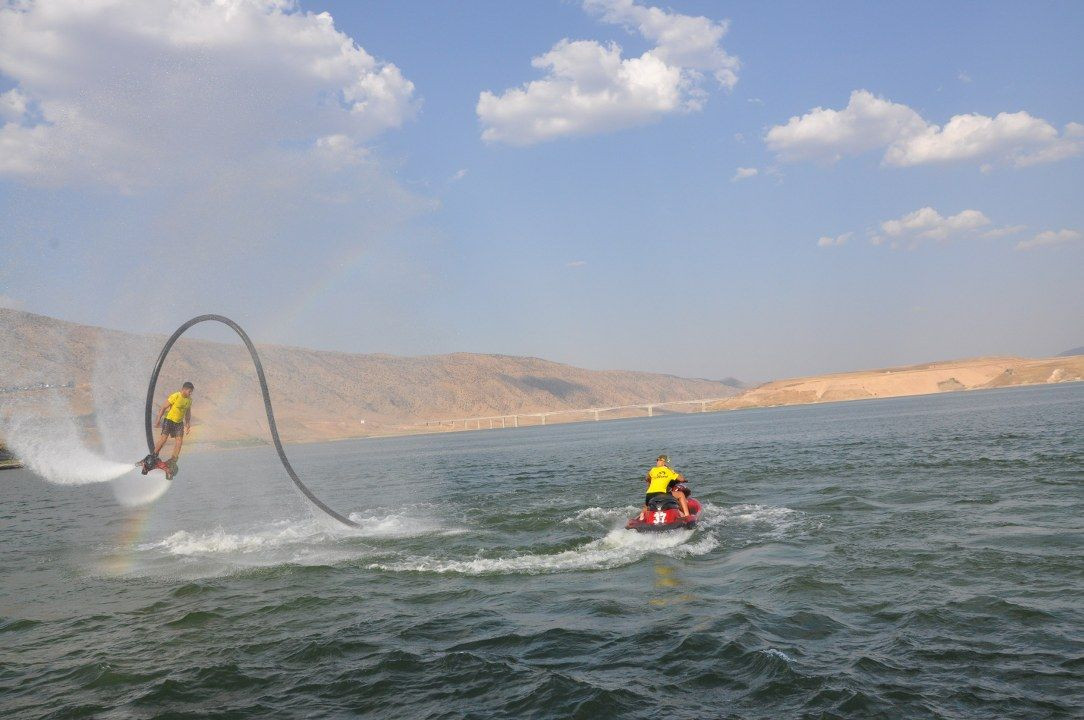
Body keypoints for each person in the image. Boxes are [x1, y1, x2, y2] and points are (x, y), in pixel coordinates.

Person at [152, 381, 194, 467]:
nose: (191, 393)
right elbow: (163, 407)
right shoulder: (176, 396)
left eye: (191, 392)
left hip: (179, 423)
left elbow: (188, 412)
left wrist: (188, 423)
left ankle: (173, 460)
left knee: (179, 441)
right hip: (169, 420)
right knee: (164, 439)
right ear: (184, 389)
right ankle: (153, 456)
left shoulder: (189, 400)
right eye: (189, 391)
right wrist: (158, 420)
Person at [641, 454, 689, 519]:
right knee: (681, 494)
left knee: (645, 507)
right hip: (661, 494)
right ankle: (687, 516)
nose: (657, 462)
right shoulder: (668, 471)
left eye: (658, 460)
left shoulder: (652, 470)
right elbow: (681, 479)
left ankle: (641, 518)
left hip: (649, 495)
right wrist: (685, 480)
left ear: (661, 461)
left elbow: (647, 479)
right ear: (665, 463)